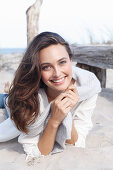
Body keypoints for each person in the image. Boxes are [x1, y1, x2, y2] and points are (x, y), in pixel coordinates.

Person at [0, 31, 101, 160]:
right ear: (37, 69)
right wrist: (54, 120)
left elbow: (77, 142)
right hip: (15, 103)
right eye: (47, 67)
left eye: (62, 62)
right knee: (7, 101)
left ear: (70, 60)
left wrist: (65, 112)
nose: (57, 73)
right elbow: (37, 152)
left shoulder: (88, 86)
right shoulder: (31, 98)